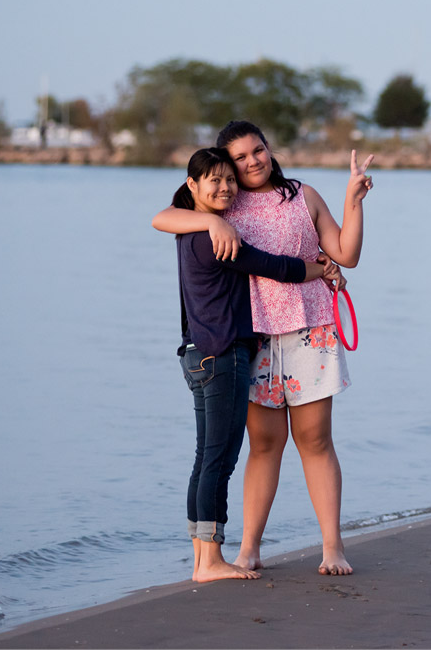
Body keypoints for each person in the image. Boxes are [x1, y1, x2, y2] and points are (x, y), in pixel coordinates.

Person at [152, 121, 373, 576]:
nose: (252, 161)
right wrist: (211, 219)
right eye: (239, 157)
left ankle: (332, 547)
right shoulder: (222, 201)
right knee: (263, 444)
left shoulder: (302, 195)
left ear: (269, 149)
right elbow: (163, 218)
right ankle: (249, 550)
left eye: (259, 150)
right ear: (223, 167)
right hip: (252, 337)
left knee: (315, 441)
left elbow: (346, 253)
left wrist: (353, 199)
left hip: (310, 329)